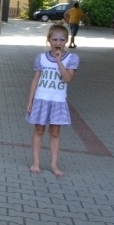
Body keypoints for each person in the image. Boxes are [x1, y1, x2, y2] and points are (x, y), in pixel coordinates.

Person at [25, 23, 78, 177]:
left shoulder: (72, 58)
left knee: (55, 133)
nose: (58, 43)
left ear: (67, 41)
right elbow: (35, 80)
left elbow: (67, 79)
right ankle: (36, 162)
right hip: (41, 99)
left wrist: (59, 61)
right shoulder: (41, 57)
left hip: (58, 101)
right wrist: (30, 101)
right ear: (49, 40)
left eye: (62, 40)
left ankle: (54, 165)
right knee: (39, 130)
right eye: (54, 39)